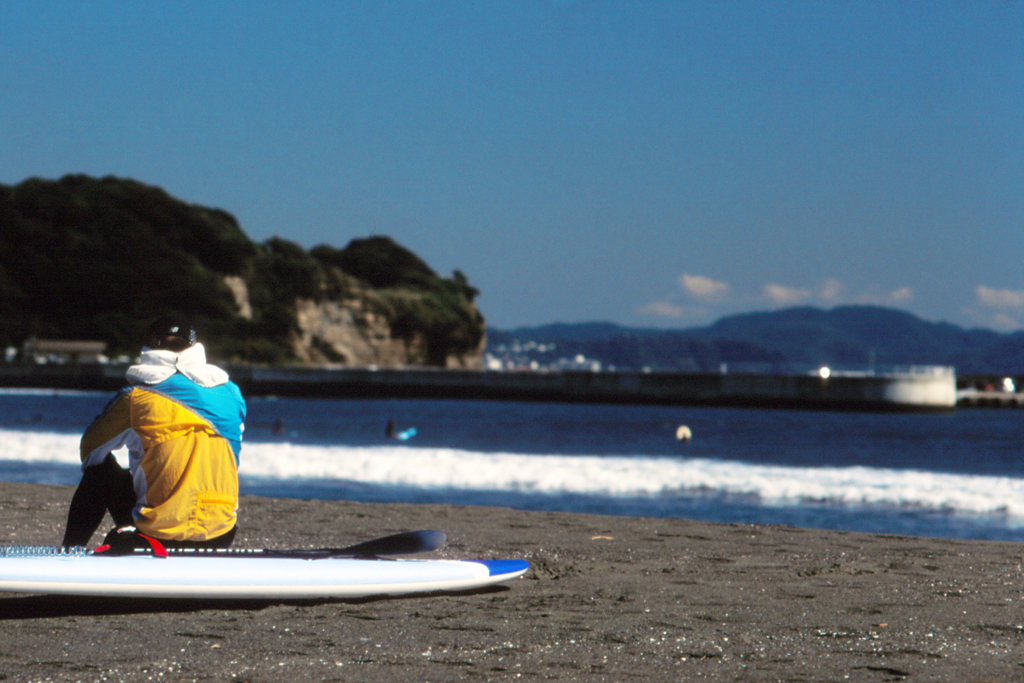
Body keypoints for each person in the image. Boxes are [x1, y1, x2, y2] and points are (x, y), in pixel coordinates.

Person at [61, 316, 246, 549]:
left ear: (149, 350)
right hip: (222, 535)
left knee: (100, 472)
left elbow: (90, 450)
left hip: (160, 537)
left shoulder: (135, 398)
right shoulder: (232, 394)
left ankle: (68, 551)